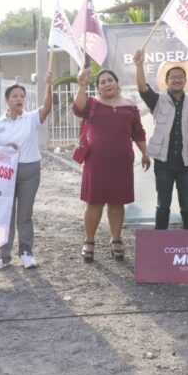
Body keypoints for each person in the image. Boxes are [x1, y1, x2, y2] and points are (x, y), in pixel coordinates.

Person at [72, 68, 150, 262]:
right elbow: (77, 108)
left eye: (110, 80)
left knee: (117, 202)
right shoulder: (91, 104)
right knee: (94, 202)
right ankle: (89, 241)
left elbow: (138, 133)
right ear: (98, 88)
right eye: (102, 82)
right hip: (96, 162)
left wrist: (145, 153)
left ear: (117, 83)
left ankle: (116, 239)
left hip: (122, 163)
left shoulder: (130, 107)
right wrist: (81, 85)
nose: (107, 84)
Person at [133, 51, 188, 230]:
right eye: (172, 77)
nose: (177, 80)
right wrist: (139, 65)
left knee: (187, 206)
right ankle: (160, 243)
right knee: (163, 205)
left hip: (187, 164)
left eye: (180, 77)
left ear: (185, 80)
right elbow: (143, 88)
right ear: (166, 81)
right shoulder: (157, 101)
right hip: (163, 162)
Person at [0, 69, 54, 269]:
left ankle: (26, 252)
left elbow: (47, 108)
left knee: (24, 214)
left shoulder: (31, 118)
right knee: (6, 213)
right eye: (15, 96)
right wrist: (5, 151)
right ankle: (3, 255)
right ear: (6, 100)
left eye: (22, 96)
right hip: (5, 173)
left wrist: (49, 86)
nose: (19, 99)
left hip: (29, 172)